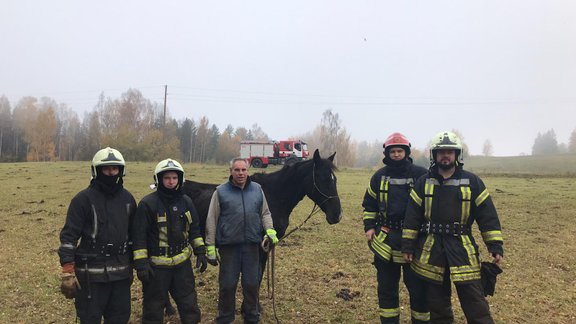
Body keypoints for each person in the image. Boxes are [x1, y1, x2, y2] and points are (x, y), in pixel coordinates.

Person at [402, 131, 504, 324]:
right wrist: (407, 245)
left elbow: (487, 216)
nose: (445, 155)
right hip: (431, 250)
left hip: (462, 248)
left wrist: (495, 245)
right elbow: (412, 216)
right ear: (434, 156)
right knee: (438, 306)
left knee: (475, 303)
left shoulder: (472, 182)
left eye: (450, 151)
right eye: (441, 152)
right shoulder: (423, 183)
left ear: (457, 155)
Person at [58, 147, 137, 323]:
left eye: (115, 169)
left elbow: (134, 236)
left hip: (121, 274)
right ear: (96, 170)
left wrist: (134, 264)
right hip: (90, 276)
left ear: (121, 171)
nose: (111, 173)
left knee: (120, 318)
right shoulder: (82, 200)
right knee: (89, 318)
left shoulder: (128, 199)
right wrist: (67, 271)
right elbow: (69, 236)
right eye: (106, 169)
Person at [362, 132, 430, 324]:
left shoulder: (421, 175)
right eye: (393, 151)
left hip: (415, 240)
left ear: (407, 152)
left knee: (418, 288)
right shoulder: (379, 177)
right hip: (386, 239)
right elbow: (370, 205)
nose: (397, 155)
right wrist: (369, 228)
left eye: (400, 151)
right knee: (386, 288)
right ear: (387, 153)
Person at [132, 158, 207, 324]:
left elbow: (194, 229)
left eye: (174, 178)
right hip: (157, 268)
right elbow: (139, 236)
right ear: (159, 179)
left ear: (180, 179)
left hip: (182, 266)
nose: (171, 181)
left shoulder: (186, 201)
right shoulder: (147, 204)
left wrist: (200, 251)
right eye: (167, 178)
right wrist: (141, 264)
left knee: (189, 304)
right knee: (153, 307)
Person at [205, 157, 279, 324]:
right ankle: (225, 317)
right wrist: (210, 246)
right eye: (237, 170)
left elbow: (265, 213)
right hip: (229, 247)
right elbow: (211, 219)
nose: (240, 173)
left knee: (252, 283)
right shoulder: (221, 192)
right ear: (230, 172)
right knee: (227, 285)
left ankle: (252, 316)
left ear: (248, 171)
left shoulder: (257, 190)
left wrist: (270, 230)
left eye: (243, 170)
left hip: (252, 246)